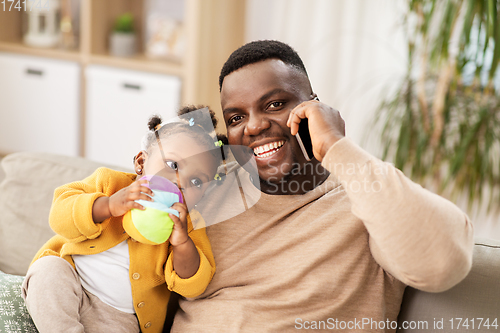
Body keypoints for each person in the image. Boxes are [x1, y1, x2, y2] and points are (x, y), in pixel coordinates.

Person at [170, 40, 474, 332]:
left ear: (313, 107)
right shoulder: (205, 185)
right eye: (236, 117)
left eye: (275, 104)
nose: (253, 126)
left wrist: (334, 145)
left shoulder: (366, 195)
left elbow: (444, 264)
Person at [22, 106, 227, 333]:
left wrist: (181, 244)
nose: (180, 182)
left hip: (119, 317)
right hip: (71, 280)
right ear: (141, 162)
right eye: (173, 165)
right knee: (47, 270)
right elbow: (59, 214)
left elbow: (194, 286)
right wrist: (108, 206)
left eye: (197, 182)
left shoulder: (186, 223)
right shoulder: (111, 183)